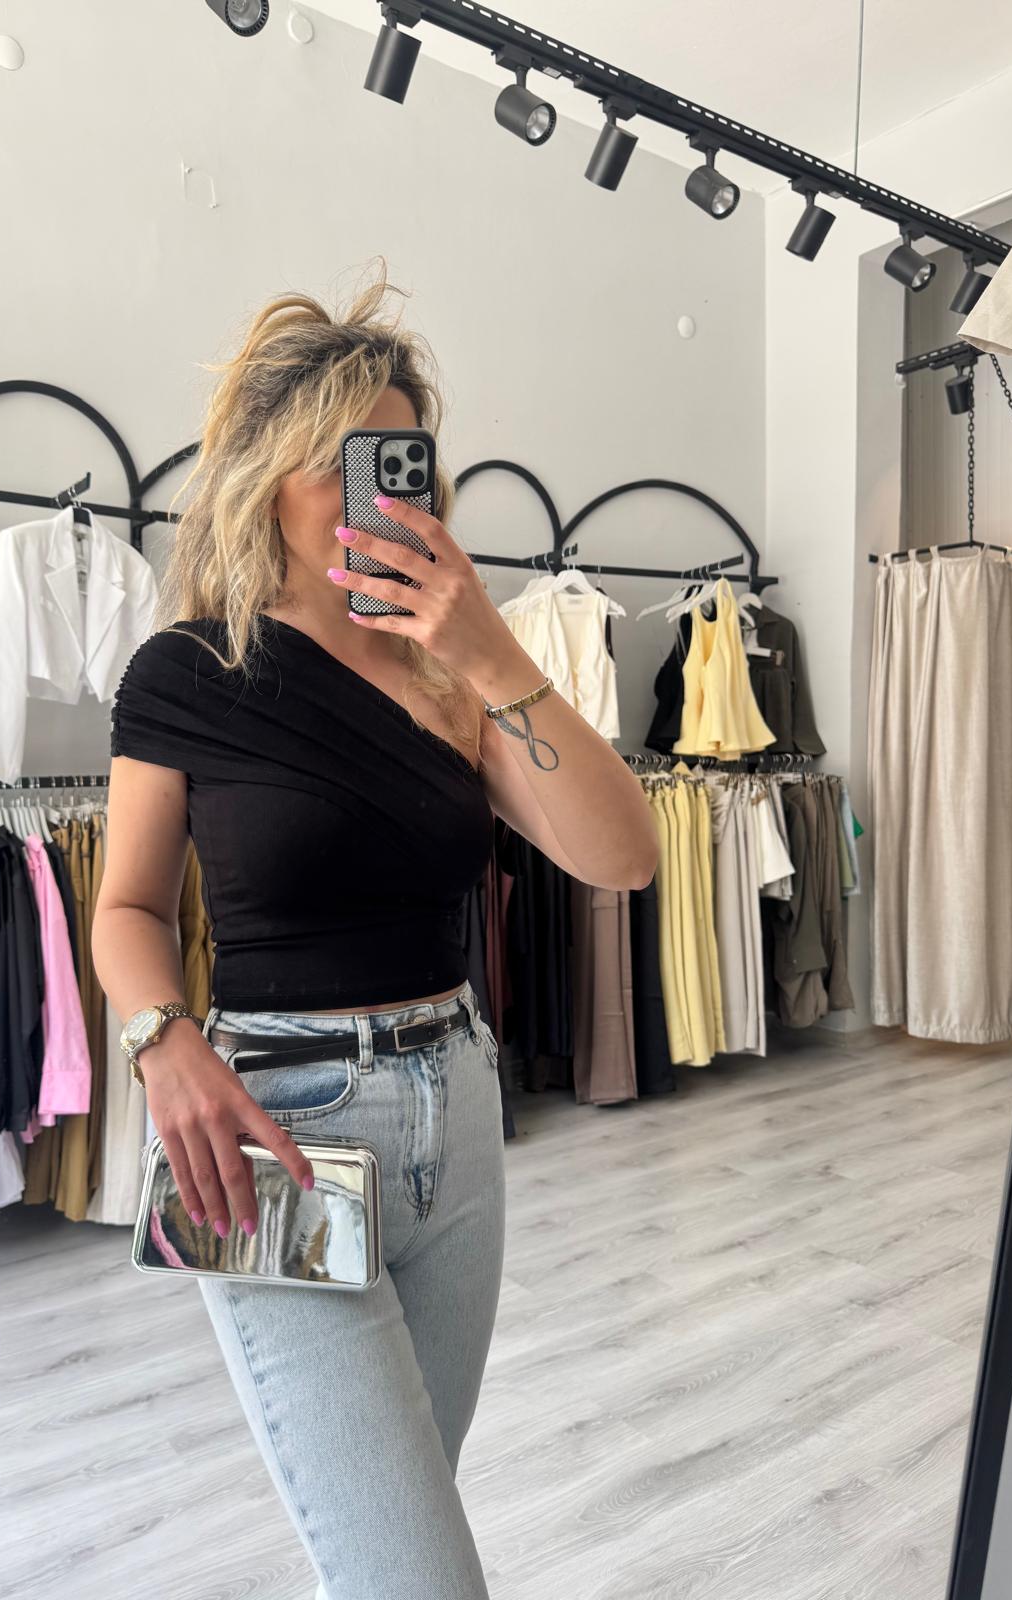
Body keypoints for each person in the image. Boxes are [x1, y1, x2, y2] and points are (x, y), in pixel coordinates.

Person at [91, 262, 658, 1600]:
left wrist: (490, 654)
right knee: (414, 1576)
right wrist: (164, 1040)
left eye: (402, 467)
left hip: (460, 1119)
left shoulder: (453, 677)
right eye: (346, 464)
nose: (381, 499)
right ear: (268, 476)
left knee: (386, 1550)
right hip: (275, 1134)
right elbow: (125, 908)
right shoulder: (190, 672)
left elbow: (624, 857)